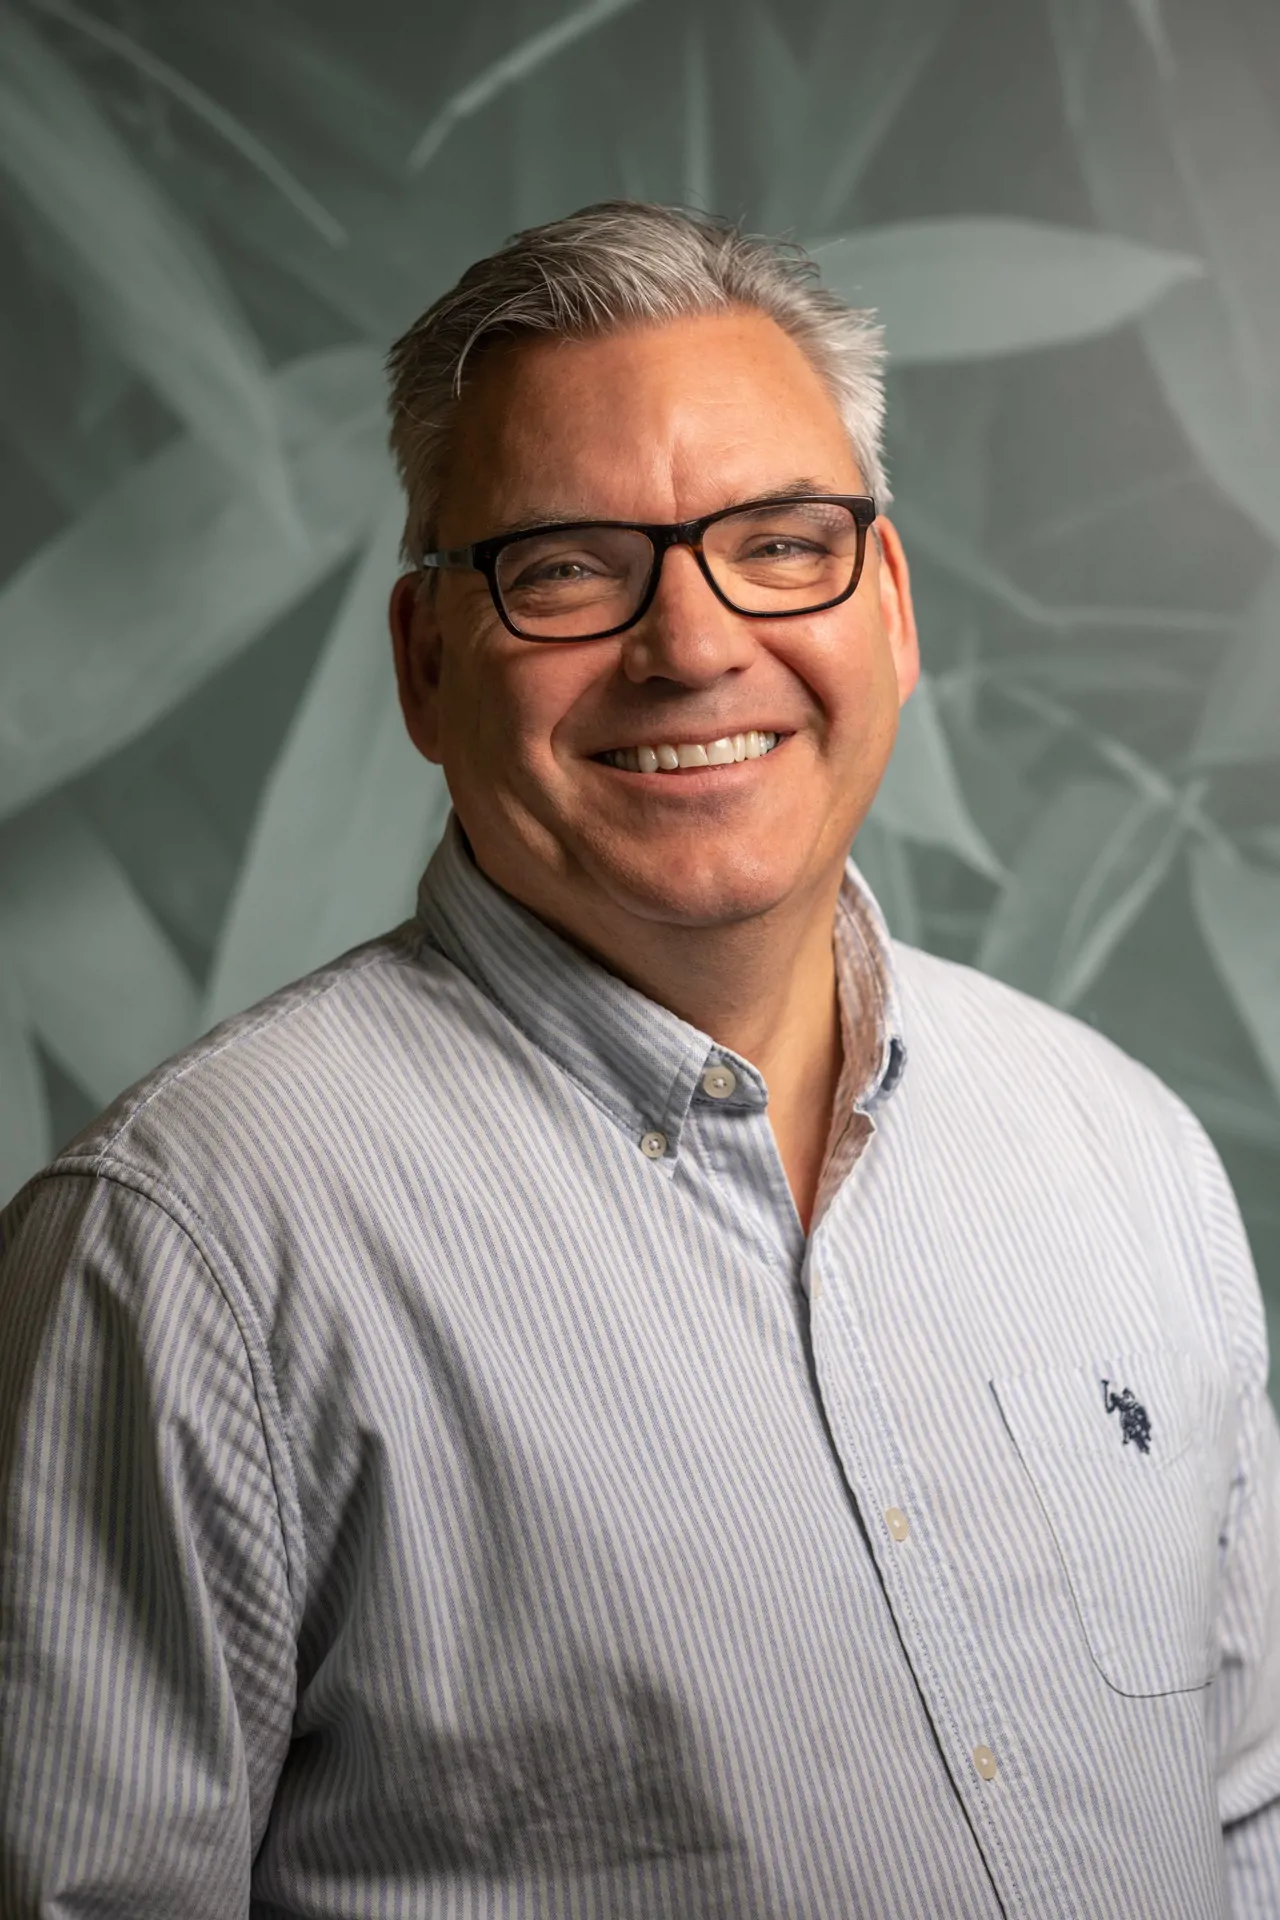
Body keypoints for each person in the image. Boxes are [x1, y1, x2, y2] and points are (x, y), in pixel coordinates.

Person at [1, 201, 1277, 1919]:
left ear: (887, 608)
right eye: (573, 566)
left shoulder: (1123, 1149)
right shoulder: (192, 1252)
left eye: (779, 542)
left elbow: (1244, 1805)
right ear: (427, 662)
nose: (690, 646)